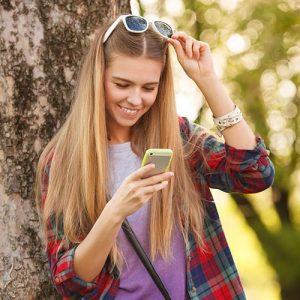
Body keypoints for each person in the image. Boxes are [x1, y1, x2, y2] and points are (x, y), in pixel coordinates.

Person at [35, 14, 275, 300]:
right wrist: (114, 213)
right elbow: (70, 282)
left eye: (148, 88)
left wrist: (207, 80)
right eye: (122, 85)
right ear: (98, 78)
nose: (136, 100)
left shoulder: (178, 137)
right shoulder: (63, 160)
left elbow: (254, 174)